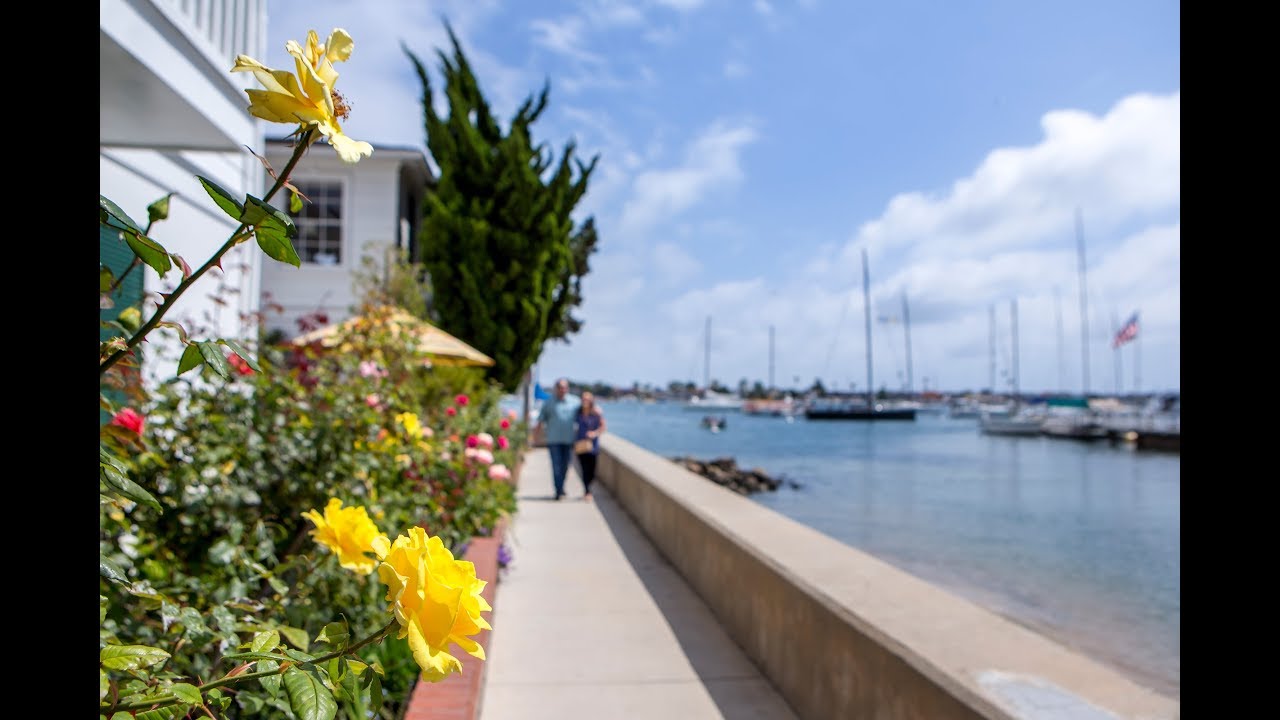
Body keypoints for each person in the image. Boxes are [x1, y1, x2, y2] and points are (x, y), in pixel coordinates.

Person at [533, 378, 580, 500]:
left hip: (569, 441)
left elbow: (586, 413)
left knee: (565, 466)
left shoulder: (575, 402)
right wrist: (535, 437)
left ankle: (561, 486)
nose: (562, 390)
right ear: (556, 388)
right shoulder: (548, 403)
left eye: (564, 387)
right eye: (560, 387)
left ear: (567, 389)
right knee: (556, 466)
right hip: (553, 440)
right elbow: (540, 421)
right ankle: (558, 490)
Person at [573, 391, 607, 500]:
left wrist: (595, 433)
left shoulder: (596, 413)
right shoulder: (577, 413)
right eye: (583, 399)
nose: (585, 401)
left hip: (593, 446)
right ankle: (587, 491)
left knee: (592, 471)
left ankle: (588, 486)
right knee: (584, 470)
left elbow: (603, 427)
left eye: (587, 399)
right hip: (581, 445)